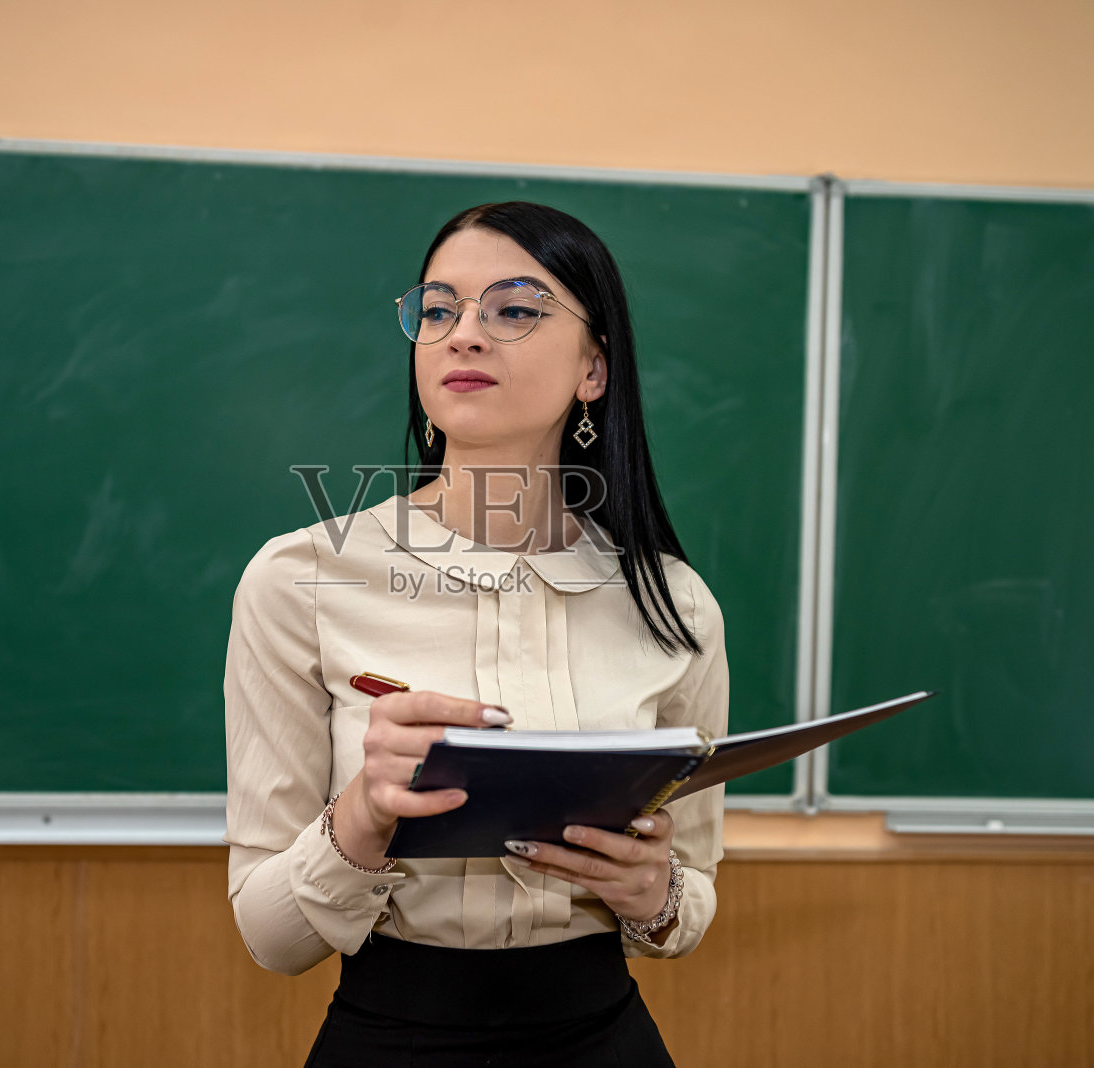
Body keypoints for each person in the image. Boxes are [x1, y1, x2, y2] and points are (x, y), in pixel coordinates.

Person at [223, 201, 730, 1066]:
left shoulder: (673, 603)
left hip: (604, 1040)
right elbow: (271, 938)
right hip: (390, 1039)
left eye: (515, 309)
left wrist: (654, 893)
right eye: (437, 310)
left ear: (594, 369)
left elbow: (692, 897)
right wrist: (362, 814)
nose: (463, 334)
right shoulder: (301, 578)